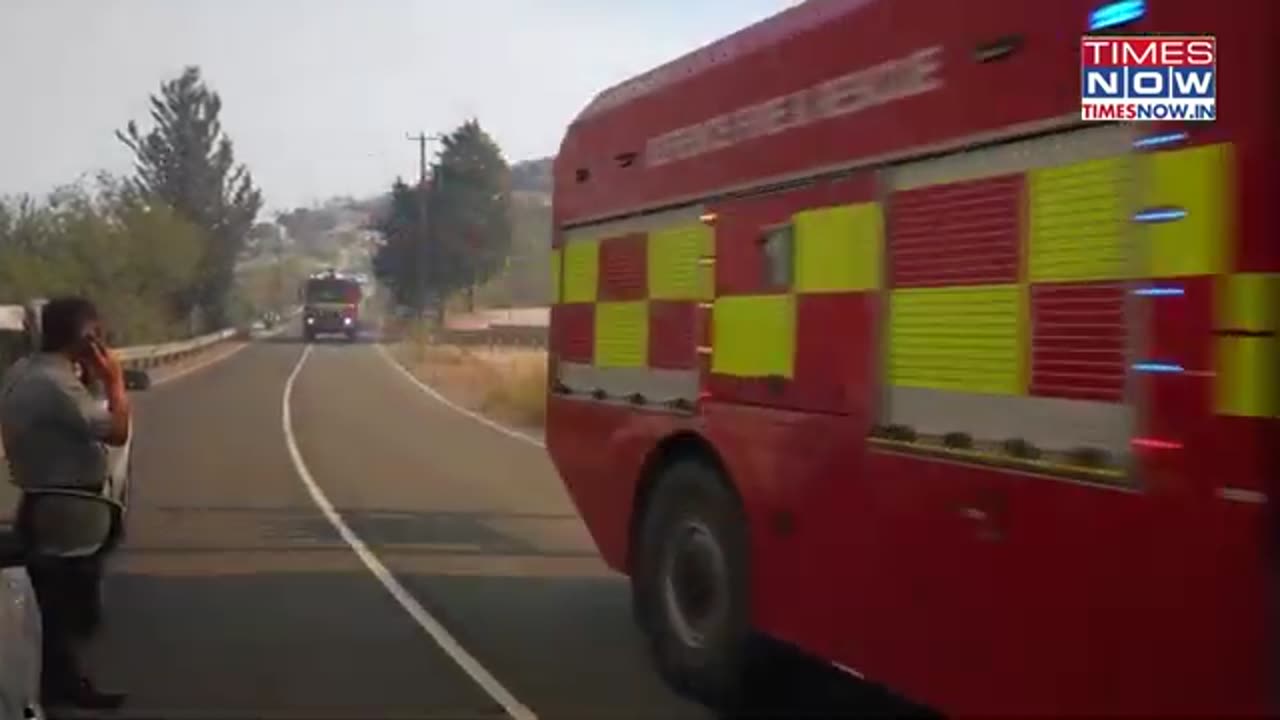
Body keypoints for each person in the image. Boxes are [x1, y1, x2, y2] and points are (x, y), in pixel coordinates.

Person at [0, 297, 127, 710]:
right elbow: (118, 431)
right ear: (86, 336)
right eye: (97, 334)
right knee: (62, 606)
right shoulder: (57, 387)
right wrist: (113, 381)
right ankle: (58, 687)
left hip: (43, 503)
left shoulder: (24, 372)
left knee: (52, 604)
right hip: (66, 512)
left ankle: (60, 680)